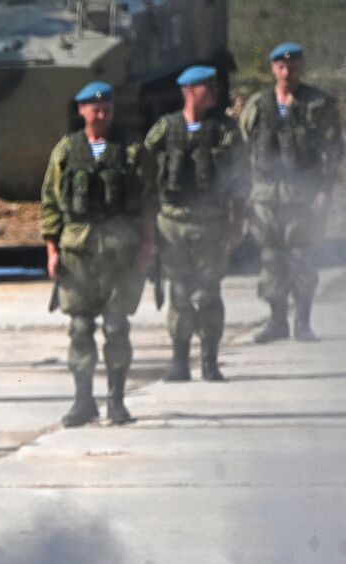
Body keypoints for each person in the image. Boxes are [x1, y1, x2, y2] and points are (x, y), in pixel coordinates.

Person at [41, 82, 157, 427]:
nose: (101, 113)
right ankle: (83, 400)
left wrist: (147, 248)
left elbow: (150, 203)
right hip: (77, 253)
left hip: (121, 251)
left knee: (117, 326)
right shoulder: (65, 151)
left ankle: (116, 401)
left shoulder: (132, 151)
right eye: (94, 108)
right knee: (79, 327)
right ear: (81, 111)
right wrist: (51, 250)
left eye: (106, 107)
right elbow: (50, 203)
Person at [143, 65, 248, 382]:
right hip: (172, 222)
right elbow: (144, 173)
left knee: (208, 293)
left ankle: (209, 361)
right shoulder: (165, 129)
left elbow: (242, 180)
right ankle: (179, 362)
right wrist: (147, 226)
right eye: (207, 88)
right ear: (189, 91)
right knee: (179, 292)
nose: (214, 93)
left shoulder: (225, 131)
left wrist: (237, 221)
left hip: (211, 222)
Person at [240, 42, 343, 343]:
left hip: (303, 193)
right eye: (282, 67)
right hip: (266, 194)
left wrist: (324, 191)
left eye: (293, 66)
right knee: (272, 258)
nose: (288, 72)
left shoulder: (318, 104)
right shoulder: (258, 105)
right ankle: (276, 320)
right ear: (273, 68)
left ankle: (303, 321)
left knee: (302, 256)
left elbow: (332, 151)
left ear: (301, 68)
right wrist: (245, 192)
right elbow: (246, 148)